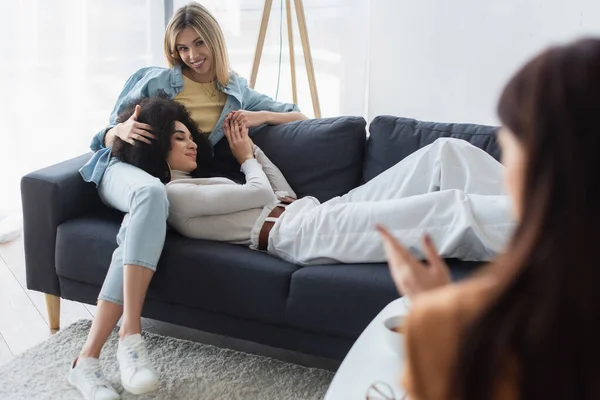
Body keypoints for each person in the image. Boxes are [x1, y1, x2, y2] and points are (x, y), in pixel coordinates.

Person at [70, 3, 307, 400]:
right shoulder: (153, 79)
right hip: (119, 170)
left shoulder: (236, 92)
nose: (192, 55)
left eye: (199, 44)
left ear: (214, 40)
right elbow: (102, 140)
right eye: (182, 48)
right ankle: (131, 334)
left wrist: (259, 115)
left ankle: (86, 362)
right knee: (149, 191)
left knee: (147, 211)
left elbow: (300, 116)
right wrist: (119, 129)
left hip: (160, 190)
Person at [377, 37, 600, 399]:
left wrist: (435, 306)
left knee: (451, 196)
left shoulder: (451, 328)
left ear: (538, 169)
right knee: (447, 153)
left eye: (509, 149)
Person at [112, 95, 515, 266]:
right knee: (446, 210)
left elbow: (281, 192)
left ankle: (535, 198)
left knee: (445, 152)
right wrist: (244, 159)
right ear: (157, 148)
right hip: (300, 235)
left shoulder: (205, 181)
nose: (190, 143)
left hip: (317, 210)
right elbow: (260, 192)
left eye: (189, 135)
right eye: (177, 137)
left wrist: (252, 144)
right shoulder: (174, 194)